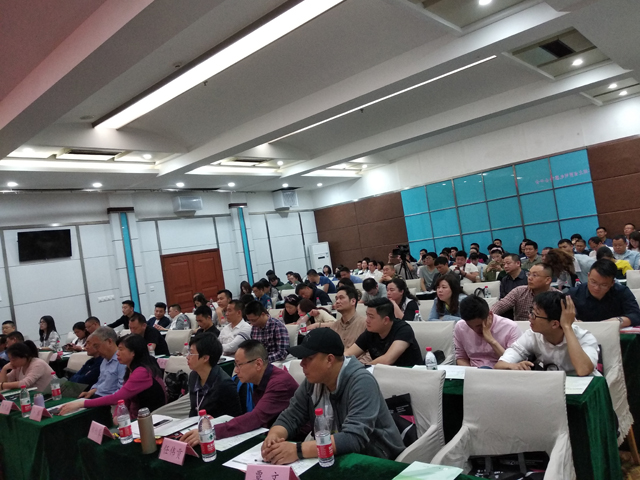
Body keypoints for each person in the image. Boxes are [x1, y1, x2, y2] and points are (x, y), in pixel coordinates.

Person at [262, 328, 405, 464]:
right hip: (336, 456)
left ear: (329, 360)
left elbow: (353, 438)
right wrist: (273, 437)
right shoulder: (312, 382)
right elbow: (291, 416)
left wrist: (297, 450)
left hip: (377, 458)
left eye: (308, 358)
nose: (302, 364)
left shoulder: (362, 382)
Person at [182, 340, 298, 445]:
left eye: (239, 365)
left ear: (258, 364)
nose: (236, 371)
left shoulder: (279, 383)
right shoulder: (257, 380)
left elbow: (256, 417)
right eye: (235, 365)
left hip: (294, 440)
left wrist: (211, 431)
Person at [58, 334, 167, 417]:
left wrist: (81, 404)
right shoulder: (130, 368)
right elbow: (125, 397)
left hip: (151, 419)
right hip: (137, 415)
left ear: (133, 352)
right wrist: (118, 415)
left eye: (121, 349)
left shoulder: (142, 372)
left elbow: (118, 397)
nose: (117, 353)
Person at [495, 292, 599, 376]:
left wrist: (567, 327)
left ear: (554, 324)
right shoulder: (532, 335)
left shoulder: (584, 337)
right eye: (531, 311)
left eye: (535, 315)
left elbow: (583, 370)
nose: (530, 317)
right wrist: (514, 366)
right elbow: (499, 365)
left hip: (585, 389)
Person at [345, 298, 423, 366]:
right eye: (367, 315)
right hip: (383, 374)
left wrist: (362, 369)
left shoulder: (403, 330)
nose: (367, 320)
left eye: (371, 317)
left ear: (386, 320)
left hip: (410, 374)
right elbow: (348, 354)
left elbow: (387, 359)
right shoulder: (371, 332)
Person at [182, 332, 242, 418]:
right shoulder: (193, 376)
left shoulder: (225, 384)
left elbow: (234, 418)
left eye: (191, 353)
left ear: (205, 358)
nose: (187, 357)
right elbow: (194, 410)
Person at [568, 259, 640, 328]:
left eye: (604, 285)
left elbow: (636, 315)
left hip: (613, 333)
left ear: (612, 283)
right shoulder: (574, 293)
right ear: (588, 276)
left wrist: (617, 321)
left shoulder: (622, 292)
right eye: (593, 282)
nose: (596, 288)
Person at [454, 296, 521, 368]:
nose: (475, 330)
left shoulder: (510, 328)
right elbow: (461, 358)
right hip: (474, 370)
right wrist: (471, 372)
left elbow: (514, 363)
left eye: (479, 325)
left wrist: (492, 341)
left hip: (501, 370)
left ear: (490, 315)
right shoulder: (460, 326)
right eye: (470, 326)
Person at [491, 264, 556, 322]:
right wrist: (489, 316)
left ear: (548, 280)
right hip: (521, 328)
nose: (529, 278)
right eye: (529, 274)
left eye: (534, 275)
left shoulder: (557, 297)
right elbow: (500, 305)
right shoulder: (519, 291)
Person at [79, 327, 126, 399]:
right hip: (98, 397)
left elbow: (121, 392)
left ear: (109, 342)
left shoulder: (122, 361)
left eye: (96, 346)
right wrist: (90, 392)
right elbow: (100, 383)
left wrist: (97, 401)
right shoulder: (104, 360)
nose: (96, 350)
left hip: (109, 401)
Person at [326, 286, 368, 357]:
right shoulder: (334, 327)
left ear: (353, 301)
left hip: (359, 363)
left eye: (341, 298)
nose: (337, 301)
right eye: (336, 299)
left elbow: (371, 353)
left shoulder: (365, 324)